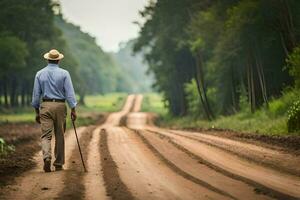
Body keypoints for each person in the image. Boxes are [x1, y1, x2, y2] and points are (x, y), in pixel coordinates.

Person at [32, 49, 77, 172]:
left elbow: (36, 95)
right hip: (60, 106)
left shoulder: (39, 74)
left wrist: (37, 112)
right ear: (58, 60)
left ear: (47, 59)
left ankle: (47, 157)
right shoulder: (64, 73)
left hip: (45, 105)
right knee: (59, 135)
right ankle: (58, 164)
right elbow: (70, 93)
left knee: (46, 135)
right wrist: (73, 109)